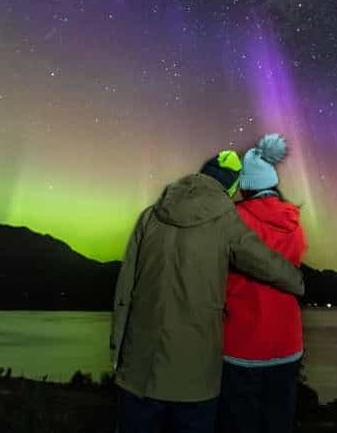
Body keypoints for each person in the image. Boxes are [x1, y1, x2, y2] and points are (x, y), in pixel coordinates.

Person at [110, 149, 305, 433]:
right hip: (195, 381)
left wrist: (117, 351)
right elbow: (266, 263)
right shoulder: (226, 221)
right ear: (231, 187)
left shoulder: (150, 216)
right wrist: (298, 281)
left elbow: (125, 287)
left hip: (139, 374)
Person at [218, 134, 307, 433]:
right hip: (287, 343)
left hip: (242, 344)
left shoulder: (233, 220)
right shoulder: (295, 224)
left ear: (244, 185)